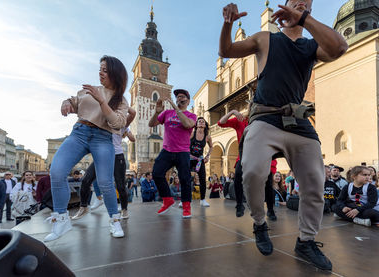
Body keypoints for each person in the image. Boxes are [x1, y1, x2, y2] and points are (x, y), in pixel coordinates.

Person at [219, 0, 348, 270]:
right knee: (252, 170)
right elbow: (227, 50)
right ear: (284, 6)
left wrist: (304, 20)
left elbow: (340, 47)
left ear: (307, 11)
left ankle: (306, 241)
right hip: (265, 117)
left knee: (315, 181)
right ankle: (259, 222)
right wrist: (228, 24)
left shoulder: (311, 46)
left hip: (298, 121)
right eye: (295, 1)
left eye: (305, 4)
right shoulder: (266, 38)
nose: (299, 4)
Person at [45, 55, 128, 242]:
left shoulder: (121, 100)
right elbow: (73, 102)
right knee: (57, 171)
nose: (100, 72)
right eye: (100, 69)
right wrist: (66, 103)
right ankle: (61, 219)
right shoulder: (88, 91)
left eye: (105, 70)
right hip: (80, 133)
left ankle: (115, 220)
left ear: (115, 73)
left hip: (103, 137)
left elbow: (117, 123)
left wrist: (102, 101)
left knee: (106, 182)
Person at [71, 108, 136, 220]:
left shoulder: (121, 123)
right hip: (102, 155)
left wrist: (126, 131)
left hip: (117, 156)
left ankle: (124, 209)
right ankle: (83, 207)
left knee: (120, 185)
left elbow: (133, 116)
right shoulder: (101, 121)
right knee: (86, 180)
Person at [149, 89, 196, 218]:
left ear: (187, 101)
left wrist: (176, 108)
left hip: (182, 152)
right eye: (177, 97)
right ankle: (167, 199)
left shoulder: (192, 116)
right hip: (167, 151)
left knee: (185, 180)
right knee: (157, 174)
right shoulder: (167, 113)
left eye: (182, 97)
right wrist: (157, 112)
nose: (179, 99)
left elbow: (187, 124)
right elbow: (151, 123)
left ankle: (186, 206)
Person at [190, 117, 213, 207]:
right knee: (187, 179)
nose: (201, 122)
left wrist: (207, 156)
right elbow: (184, 143)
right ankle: (185, 200)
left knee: (203, 179)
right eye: (199, 121)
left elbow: (211, 147)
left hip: (199, 160)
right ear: (196, 124)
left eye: (203, 122)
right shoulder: (192, 134)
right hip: (190, 158)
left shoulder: (207, 137)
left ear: (205, 125)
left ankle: (202, 199)